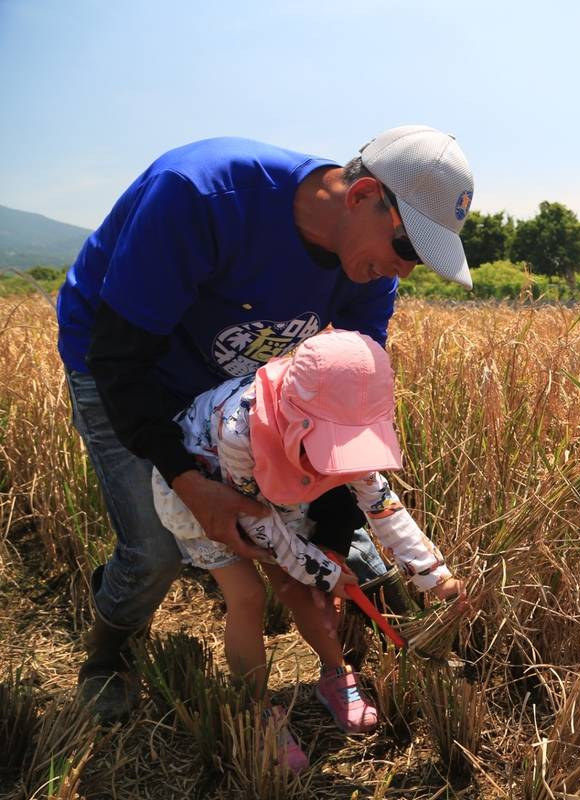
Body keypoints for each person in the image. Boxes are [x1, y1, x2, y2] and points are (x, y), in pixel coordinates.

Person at [56, 125, 475, 722]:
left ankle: (346, 659)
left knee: (343, 548)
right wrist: (189, 482)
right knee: (154, 550)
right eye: (408, 249)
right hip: (124, 367)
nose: (403, 273)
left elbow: (344, 418)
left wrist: (324, 546)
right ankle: (108, 656)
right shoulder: (200, 196)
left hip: (237, 391)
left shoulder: (368, 274)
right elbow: (118, 359)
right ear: (362, 197)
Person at [151, 330, 464, 771]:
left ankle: (335, 672)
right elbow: (253, 521)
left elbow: (380, 502)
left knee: (303, 591)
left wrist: (434, 574)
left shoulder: (339, 417)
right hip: (210, 498)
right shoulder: (241, 427)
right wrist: (326, 571)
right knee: (248, 597)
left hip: (277, 495)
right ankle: (257, 707)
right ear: (299, 421)